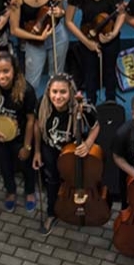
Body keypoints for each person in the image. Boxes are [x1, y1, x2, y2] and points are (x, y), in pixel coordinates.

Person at [33, 74, 101, 235]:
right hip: (50, 149)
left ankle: (77, 208)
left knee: (77, 181)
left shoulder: (83, 107)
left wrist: (88, 143)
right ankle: (51, 213)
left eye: (63, 92)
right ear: (49, 91)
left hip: (73, 152)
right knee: (52, 181)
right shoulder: (42, 103)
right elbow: (37, 127)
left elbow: (96, 126)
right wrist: (36, 151)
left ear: (70, 92)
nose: (58, 96)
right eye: (54, 92)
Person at [65, 0, 125, 104]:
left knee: (110, 73)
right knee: (90, 74)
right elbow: (69, 21)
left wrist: (114, 33)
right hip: (88, 36)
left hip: (110, 36)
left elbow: (121, 13)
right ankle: (90, 106)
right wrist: (87, 43)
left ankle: (111, 105)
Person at [0, 52, 37, 212]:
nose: (1, 76)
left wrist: (27, 147)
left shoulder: (26, 91)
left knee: (26, 165)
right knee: (5, 165)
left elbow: (30, 120)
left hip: (21, 138)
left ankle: (30, 192)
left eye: (6, 71)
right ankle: (10, 191)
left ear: (14, 71)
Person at [9, 0, 69, 95]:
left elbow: (61, 10)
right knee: (31, 82)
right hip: (34, 38)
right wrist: (38, 38)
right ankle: (32, 113)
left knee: (56, 76)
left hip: (56, 34)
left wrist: (60, 12)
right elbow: (14, 30)